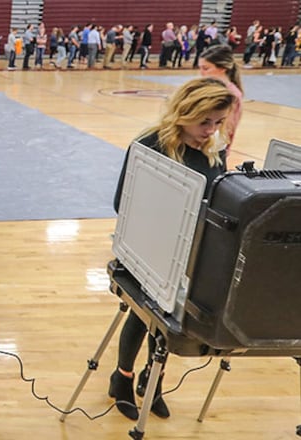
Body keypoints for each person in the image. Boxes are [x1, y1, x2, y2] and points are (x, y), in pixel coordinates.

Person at [109, 77, 235, 421]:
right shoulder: (150, 144)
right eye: (204, 121)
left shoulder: (215, 152)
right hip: (149, 249)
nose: (211, 130)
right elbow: (124, 201)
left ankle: (155, 379)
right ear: (184, 112)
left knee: (170, 322)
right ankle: (122, 378)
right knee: (144, 313)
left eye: (218, 122)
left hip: (189, 255)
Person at [198, 44, 243, 160]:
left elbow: (226, 129)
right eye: (200, 68)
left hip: (213, 152)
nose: (201, 73)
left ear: (222, 68)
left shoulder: (232, 94)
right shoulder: (205, 87)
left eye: (206, 68)